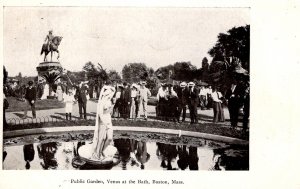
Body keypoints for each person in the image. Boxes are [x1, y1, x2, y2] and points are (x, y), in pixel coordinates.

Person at [91, 84, 116, 160]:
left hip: (108, 120)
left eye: (111, 94)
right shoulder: (101, 102)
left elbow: (110, 113)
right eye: (108, 94)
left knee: (109, 138)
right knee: (101, 139)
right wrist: (104, 122)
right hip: (103, 121)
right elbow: (100, 114)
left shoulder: (109, 101)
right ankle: (97, 154)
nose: (110, 95)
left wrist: (113, 106)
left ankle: (102, 151)